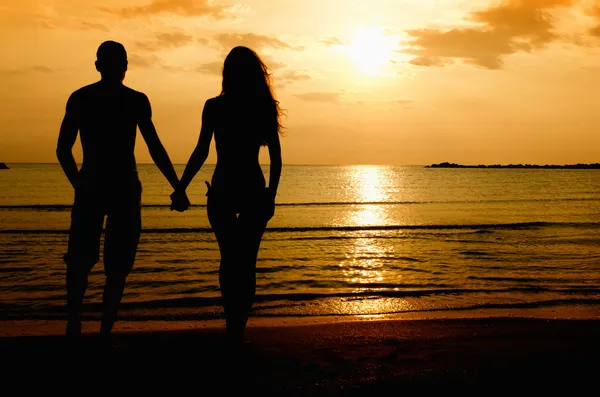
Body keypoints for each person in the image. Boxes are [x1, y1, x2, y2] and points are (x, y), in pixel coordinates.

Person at [56, 41, 181, 346]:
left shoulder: (84, 98)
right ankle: (99, 331)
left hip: (102, 186)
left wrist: (80, 184)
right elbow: (154, 147)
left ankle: (78, 326)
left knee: (85, 262)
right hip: (118, 187)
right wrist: (176, 186)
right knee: (112, 266)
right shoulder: (130, 100)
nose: (117, 68)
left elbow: (63, 150)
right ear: (119, 66)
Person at [171, 46, 283, 347]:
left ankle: (233, 324)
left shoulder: (216, 106)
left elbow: (201, 151)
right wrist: (270, 195)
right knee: (245, 262)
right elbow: (275, 158)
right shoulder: (261, 106)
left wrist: (182, 186)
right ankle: (237, 327)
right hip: (248, 190)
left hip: (225, 190)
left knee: (230, 260)